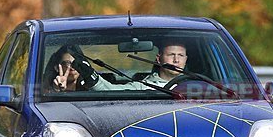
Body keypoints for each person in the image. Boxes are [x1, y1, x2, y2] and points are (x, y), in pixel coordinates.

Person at [49, 42, 188, 93]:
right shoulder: (142, 87)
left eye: (180, 55)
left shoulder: (203, 87)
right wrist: (91, 76)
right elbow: (108, 90)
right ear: (158, 58)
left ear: (186, 59)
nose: (176, 60)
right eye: (171, 55)